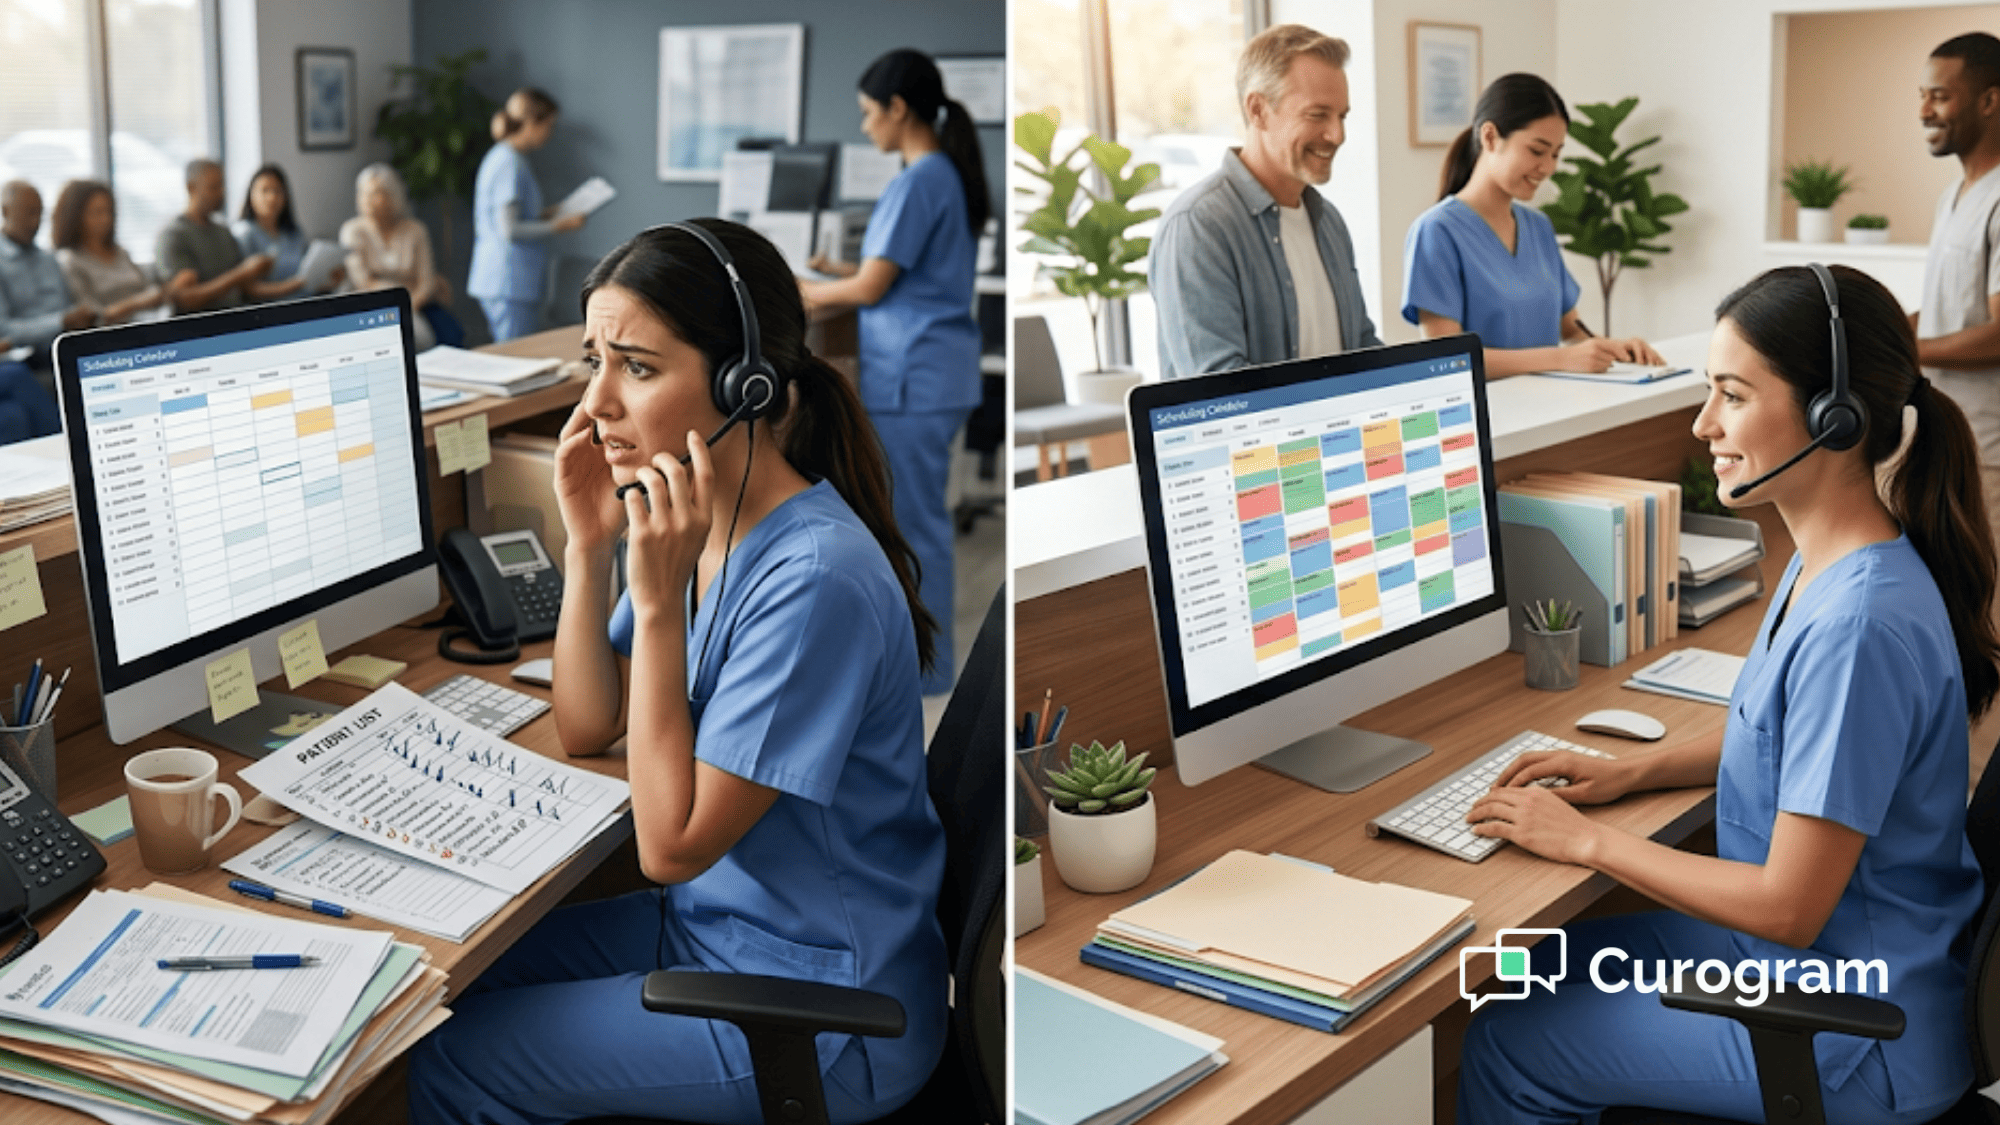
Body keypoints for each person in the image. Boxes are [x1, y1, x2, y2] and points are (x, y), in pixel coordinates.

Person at [404, 220, 946, 1123]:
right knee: (433, 982)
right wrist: (587, 544)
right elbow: (586, 722)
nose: (598, 402)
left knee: (454, 1058)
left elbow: (670, 844)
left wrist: (654, 604)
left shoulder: (814, 581)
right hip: (718, 934)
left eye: (639, 368)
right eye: (594, 361)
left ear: (745, 383)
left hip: (824, 1018)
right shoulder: (704, 524)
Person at [1456, 264, 1995, 1123]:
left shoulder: (1859, 625)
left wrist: (1586, 841)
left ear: (1835, 417)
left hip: (1855, 1024)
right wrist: (1631, 774)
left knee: (1506, 1034)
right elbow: (1785, 739)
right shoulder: (1829, 559)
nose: (1704, 423)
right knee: (1528, 964)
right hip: (1806, 958)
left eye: (1732, 395)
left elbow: (1788, 902)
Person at [799, 47, 986, 695]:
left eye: (868, 113)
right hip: (931, 369)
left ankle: (930, 674)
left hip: (917, 375)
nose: (864, 126)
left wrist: (800, 288)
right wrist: (834, 277)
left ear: (898, 109)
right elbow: (896, 277)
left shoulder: (919, 179)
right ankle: (918, 659)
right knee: (915, 516)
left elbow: (875, 289)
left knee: (915, 524)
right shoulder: (942, 175)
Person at [1148, 23, 1382, 380]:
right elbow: (1219, 390)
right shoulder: (1198, 227)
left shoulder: (1328, 221)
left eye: (1342, 116)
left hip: (1335, 438)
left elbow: (1361, 347)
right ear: (1257, 110)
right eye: (1318, 115)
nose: (1337, 135)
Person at [1402, 73, 1664, 378]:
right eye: (1537, 151)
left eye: (1556, 154)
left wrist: (1616, 349)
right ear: (1489, 138)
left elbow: (1570, 331)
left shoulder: (1538, 227)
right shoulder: (1436, 232)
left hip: (1553, 408)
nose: (1549, 167)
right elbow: (1447, 360)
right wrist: (1560, 359)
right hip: (1490, 418)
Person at [1914, 32, 2000, 546]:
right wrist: (1875, 327)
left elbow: (1998, 334)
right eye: (1921, 96)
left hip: (1988, 450)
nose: (1924, 110)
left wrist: (1904, 350)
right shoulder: (1955, 194)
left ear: (1990, 100)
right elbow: (1950, 310)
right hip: (1943, 438)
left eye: (1940, 96)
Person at [469, 87, 584, 342]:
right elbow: (509, 230)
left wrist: (548, 214)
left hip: (508, 280)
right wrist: (559, 226)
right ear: (532, 122)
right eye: (549, 125)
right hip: (507, 280)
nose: (550, 133)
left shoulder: (506, 158)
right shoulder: (509, 163)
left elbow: (515, 216)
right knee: (516, 357)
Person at [340, 163, 463, 351]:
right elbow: (363, 281)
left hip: (415, 304)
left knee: (439, 337)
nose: (368, 200)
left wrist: (409, 306)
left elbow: (427, 282)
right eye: (364, 193)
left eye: (376, 194)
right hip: (372, 305)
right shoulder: (353, 231)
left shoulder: (415, 230)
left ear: (393, 196)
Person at [156, 159, 299, 312]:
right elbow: (185, 300)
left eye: (222, 185)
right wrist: (242, 273)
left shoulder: (223, 231)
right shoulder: (173, 235)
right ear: (191, 188)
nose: (222, 192)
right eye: (214, 187)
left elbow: (247, 287)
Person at [52, 179, 187, 325]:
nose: (106, 219)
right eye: (97, 212)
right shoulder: (69, 261)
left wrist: (169, 290)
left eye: (109, 211)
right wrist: (136, 303)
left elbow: (150, 290)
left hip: (150, 324)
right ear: (75, 216)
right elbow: (92, 317)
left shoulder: (120, 252)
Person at [230, 163, 339, 292]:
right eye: (264, 190)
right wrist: (294, 285)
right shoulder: (244, 233)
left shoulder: (293, 232)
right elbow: (247, 289)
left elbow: (308, 274)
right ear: (250, 195)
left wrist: (328, 280)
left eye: (277, 191)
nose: (272, 197)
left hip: (306, 300)